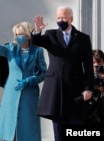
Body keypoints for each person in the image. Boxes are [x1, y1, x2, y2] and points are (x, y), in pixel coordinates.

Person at [0, 15, 47, 141]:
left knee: (28, 130)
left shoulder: (37, 51)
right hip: (11, 92)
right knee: (10, 130)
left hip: (29, 94)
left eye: (21, 34)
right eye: (16, 34)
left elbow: (43, 73)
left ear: (28, 35)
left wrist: (29, 80)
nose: (18, 37)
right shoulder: (11, 48)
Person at [31, 6, 94, 141]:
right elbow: (36, 42)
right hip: (56, 90)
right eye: (58, 18)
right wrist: (37, 30)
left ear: (71, 19)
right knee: (58, 131)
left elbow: (88, 67)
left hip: (75, 90)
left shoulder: (83, 39)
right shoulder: (51, 35)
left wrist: (88, 88)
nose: (61, 20)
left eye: (64, 17)